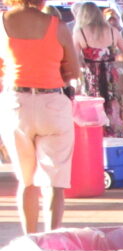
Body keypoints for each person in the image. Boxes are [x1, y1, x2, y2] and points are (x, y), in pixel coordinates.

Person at [0, 0, 80, 233]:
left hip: (16, 104)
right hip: (52, 103)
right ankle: (52, 238)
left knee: (27, 182)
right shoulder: (58, 26)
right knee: (55, 183)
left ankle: (30, 239)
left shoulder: (2, 23)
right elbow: (73, 71)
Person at [73, 1, 123, 137]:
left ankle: (93, 140)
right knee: (113, 108)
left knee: (92, 109)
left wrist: (86, 62)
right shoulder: (113, 31)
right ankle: (116, 139)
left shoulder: (80, 32)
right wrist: (110, 58)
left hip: (91, 78)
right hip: (111, 77)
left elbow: (74, 59)